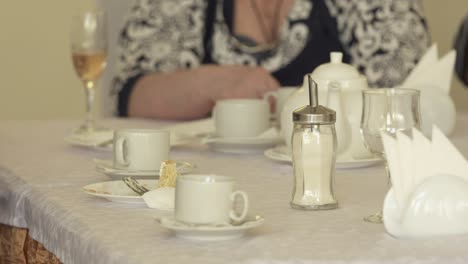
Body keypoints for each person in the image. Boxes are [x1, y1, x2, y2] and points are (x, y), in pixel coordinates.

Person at [112, 0, 430, 120]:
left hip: (337, 191)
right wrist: (210, 83)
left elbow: (413, 101)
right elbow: (130, 96)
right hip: (207, 188)